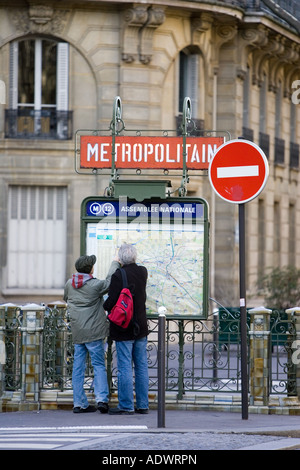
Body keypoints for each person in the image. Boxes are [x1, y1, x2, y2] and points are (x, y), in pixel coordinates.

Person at [64, 254, 120, 414]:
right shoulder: (95, 285)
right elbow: (110, 282)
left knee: (78, 368)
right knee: (99, 365)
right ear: (91, 269)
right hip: (94, 332)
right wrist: (115, 263)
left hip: (78, 332)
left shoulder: (69, 284)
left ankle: (78, 403)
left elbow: (66, 298)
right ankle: (102, 400)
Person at [103, 243, 149, 415]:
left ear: (121, 258)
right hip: (141, 327)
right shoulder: (143, 272)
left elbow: (111, 302)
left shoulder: (118, 275)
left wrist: (116, 263)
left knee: (124, 367)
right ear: (135, 257)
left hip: (124, 327)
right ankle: (143, 405)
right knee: (141, 366)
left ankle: (126, 405)